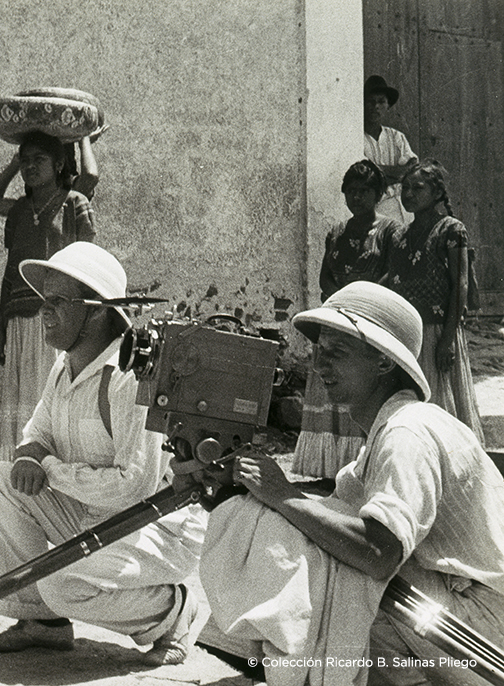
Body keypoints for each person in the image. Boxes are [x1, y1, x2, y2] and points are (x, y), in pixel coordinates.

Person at [198, 281, 504, 685]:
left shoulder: (406, 433)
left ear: (383, 363)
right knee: (277, 523)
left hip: (480, 631)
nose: (320, 367)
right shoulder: (391, 427)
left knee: (317, 562)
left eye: (337, 353)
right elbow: (333, 514)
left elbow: (378, 551)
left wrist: (283, 495)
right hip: (449, 610)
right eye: (319, 353)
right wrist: (240, 488)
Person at [0, 242, 207, 666]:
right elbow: (37, 431)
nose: (45, 311)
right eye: (45, 299)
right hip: (91, 515)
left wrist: (46, 468)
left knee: (61, 585)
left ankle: (171, 613)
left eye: (59, 301)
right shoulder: (64, 364)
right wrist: (29, 456)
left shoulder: (131, 376)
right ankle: (41, 624)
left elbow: (132, 487)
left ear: (99, 310)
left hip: (153, 528)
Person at [0, 131, 96, 461]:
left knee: (49, 390)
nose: (29, 166)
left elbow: (87, 263)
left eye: (39, 159)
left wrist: (84, 137)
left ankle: (49, 462)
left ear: (58, 164)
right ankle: (19, 462)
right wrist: (2, 324)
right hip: (20, 316)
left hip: (56, 314)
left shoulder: (74, 203)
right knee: (21, 394)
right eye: (25, 160)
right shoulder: (19, 210)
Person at [293, 159, 400, 478]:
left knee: (358, 384)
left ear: (378, 194)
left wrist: (360, 301)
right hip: (337, 317)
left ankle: (361, 465)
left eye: (364, 191)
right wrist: (339, 302)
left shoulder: (390, 231)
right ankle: (328, 466)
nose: (357, 198)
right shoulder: (336, 232)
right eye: (351, 191)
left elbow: (392, 273)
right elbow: (325, 277)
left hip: (369, 321)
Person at [384, 158, 484, 443]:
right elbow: (392, 281)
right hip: (406, 335)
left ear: (437, 193)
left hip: (438, 330)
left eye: (418, 187)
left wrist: (448, 338)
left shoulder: (451, 230)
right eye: (405, 188)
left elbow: (459, 284)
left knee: (440, 402)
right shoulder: (400, 234)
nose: (409, 194)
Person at [363, 75, 417, 224]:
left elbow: (413, 170)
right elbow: (368, 178)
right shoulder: (357, 139)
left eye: (381, 102)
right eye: (371, 102)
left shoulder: (396, 136)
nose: (376, 107)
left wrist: (380, 170)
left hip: (404, 207)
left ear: (388, 106)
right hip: (377, 210)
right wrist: (400, 171)